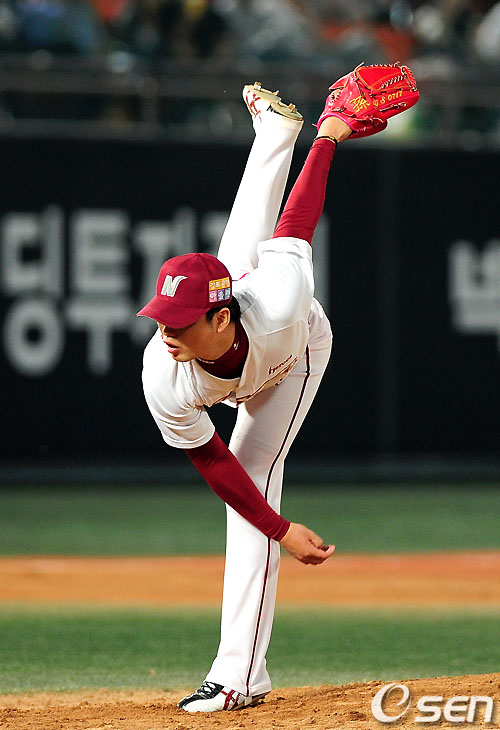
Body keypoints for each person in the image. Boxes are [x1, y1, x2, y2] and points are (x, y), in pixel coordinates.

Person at [137, 63, 419, 713]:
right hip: (240, 307)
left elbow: (295, 223)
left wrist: (332, 136)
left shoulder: (278, 304)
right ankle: (274, 134)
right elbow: (211, 461)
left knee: (257, 468)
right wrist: (282, 529)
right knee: (232, 258)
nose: (166, 332)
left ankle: (239, 676)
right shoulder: (164, 371)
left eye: (179, 322)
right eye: (162, 319)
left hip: (292, 353)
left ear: (217, 320)